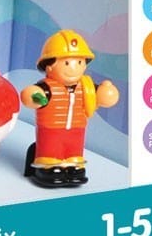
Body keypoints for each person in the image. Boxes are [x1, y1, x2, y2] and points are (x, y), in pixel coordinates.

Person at [21, 30, 119, 187]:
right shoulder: (47, 87)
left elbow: (103, 97)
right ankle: (49, 165)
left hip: (77, 130)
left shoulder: (86, 87)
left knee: (74, 151)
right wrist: (34, 96)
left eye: (79, 62)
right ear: (49, 66)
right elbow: (31, 94)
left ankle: (73, 164)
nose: (73, 68)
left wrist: (107, 93)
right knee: (51, 150)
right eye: (66, 63)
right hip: (51, 130)